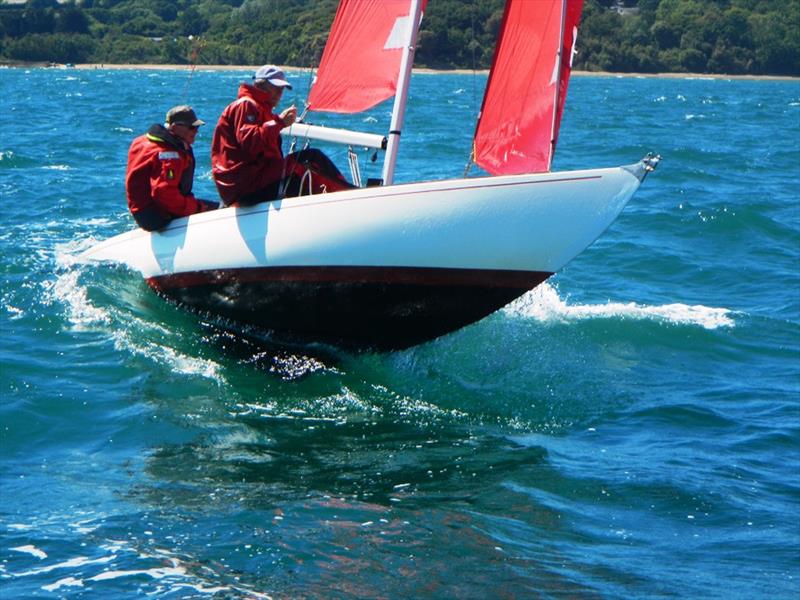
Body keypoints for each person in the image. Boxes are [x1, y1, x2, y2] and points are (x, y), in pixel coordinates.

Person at [211, 65, 353, 207]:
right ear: (262, 85)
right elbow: (250, 142)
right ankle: (349, 197)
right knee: (310, 159)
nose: (280, 93)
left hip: (249, 181)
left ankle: (335, 201)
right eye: (276, 87)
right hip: (246, 185)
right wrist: (279, 122)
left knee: (301, 168)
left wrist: (278, 122)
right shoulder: (246, 105)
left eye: (282, 89)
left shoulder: (261, 109)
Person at [125, 105, 218, 231]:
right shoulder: (169, 155)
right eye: (192, 127)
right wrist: (197, 208)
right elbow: (164, 195)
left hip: (142, 212)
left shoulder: (141, 141)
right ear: (175, 127)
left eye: (197, 127)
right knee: (220, 209)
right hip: (157, 216)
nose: (196, 131)